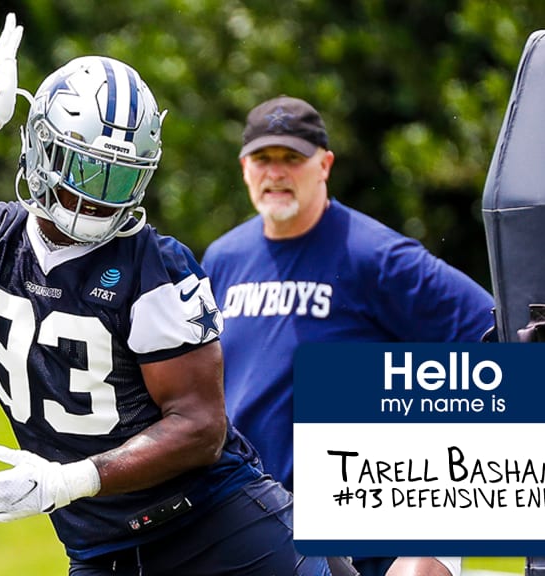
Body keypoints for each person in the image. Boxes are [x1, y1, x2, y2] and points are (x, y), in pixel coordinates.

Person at [0, 15, 329, 576]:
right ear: (42, 149)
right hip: (100, 548)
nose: (97, 199)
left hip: (217, 523)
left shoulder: (154, 264)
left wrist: (70, 479)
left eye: (118, 178)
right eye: (85, 169)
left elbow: (199, 428)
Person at [201, 95, 496, 576]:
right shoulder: (222, 259)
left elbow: (497, 340)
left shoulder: (376, 256)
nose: (276, 173)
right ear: (243, 167)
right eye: (263, 158)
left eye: (292, 158)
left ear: (325, 165)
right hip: (254, 531)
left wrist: (435, 537)